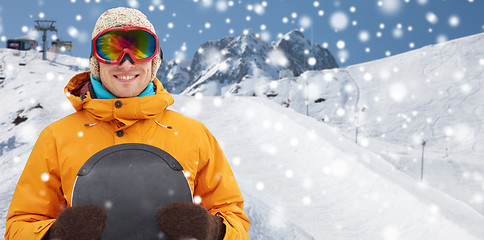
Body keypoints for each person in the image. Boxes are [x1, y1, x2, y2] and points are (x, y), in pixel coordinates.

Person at [5, 7, 250, 240]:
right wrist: (55, 234)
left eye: (139, 47)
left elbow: (234, 219)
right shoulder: (57, 138)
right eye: (111, 49)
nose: (126, 62)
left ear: (154, 61)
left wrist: (214, 230)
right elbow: (19, 227)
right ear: (96, 61)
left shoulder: (194, 135)